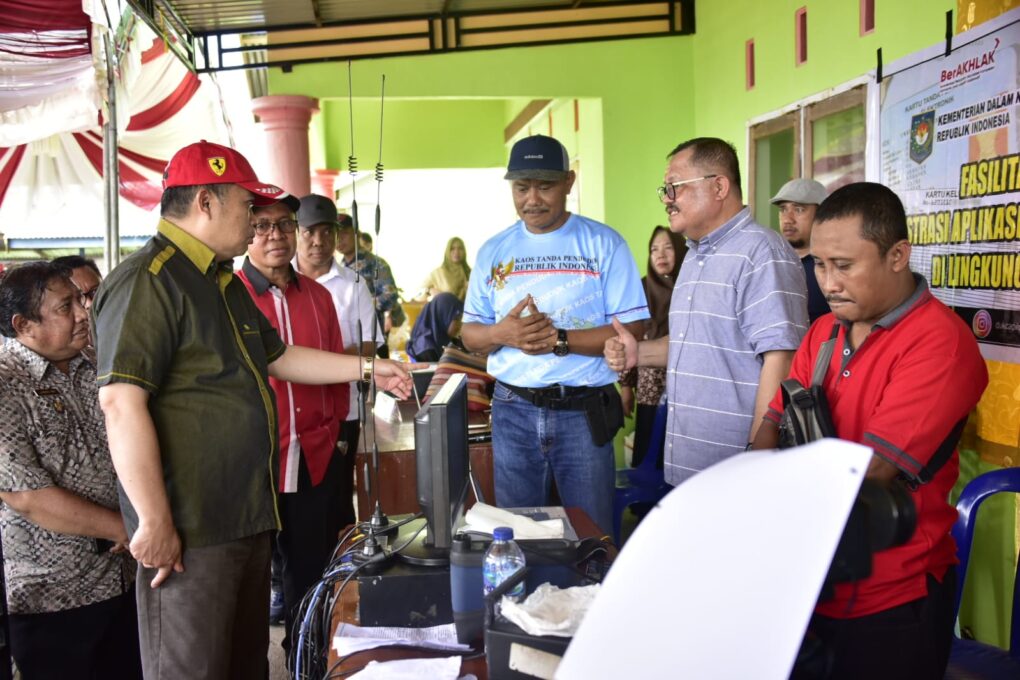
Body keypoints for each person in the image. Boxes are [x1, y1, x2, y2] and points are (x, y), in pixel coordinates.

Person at [92, 140, 412, 680]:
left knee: (242, 664)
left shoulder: (220, 282)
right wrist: (153, 519)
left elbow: (280, 356)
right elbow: (120, 402)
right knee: (192, 667)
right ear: (207, 204)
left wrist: (366, 369)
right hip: (192, 527)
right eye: (247, 208)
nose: (256, 223)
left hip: (245, 513)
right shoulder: (149, 281)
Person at [752, 182, 988, 680]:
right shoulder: (823, 332)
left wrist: (768, 491)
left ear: (898, 255)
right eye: (819, 265)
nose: (828, 282)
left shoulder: (939, 344)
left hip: (892, 594)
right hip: (811, 579)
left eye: (844, 265)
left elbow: (871, 471)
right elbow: (773, 420)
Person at [461, 134, 649, 533]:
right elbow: (470, 335)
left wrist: (558, 340)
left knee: (590, 535)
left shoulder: (604, 244)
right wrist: (504, 333)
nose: (532, 199)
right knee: (519, 535)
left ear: (569, 181)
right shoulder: (493, 251)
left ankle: (593, 597)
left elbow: (631, 328)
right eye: (521, 187)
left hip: (582, 412)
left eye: (545, 186)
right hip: (513, 410)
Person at [604, 137, 807, 486]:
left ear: (719, 187)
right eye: (665, 189)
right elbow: (694, 342)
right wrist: (640, 352)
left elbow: (782, 357)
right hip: (691, 464)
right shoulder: (696, 256)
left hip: (738, 469)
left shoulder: (761, 252)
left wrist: (759, 455)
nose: (667, 199)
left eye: (675, 187)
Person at [0, 261, 141, 679]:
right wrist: (124, 528)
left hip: (121, 578)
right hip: (54, 594)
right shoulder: (6, 384)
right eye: (66, 306)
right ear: (24, 324)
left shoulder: (91, 363)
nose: (83, 312)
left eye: (81, 300)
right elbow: (27, 496)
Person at [236, 198, 349, 656]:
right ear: (245, 232)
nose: (275, 235)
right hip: (256, 459)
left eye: (284, 225)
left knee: (309, 565)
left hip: (313, 454)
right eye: (262, 226)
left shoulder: (319, 296)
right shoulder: (231, 294)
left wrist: (338, 431)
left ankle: (304, 656)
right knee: (253, 572)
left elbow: (338, 364)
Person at [293, 193, 381, 578]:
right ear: (296, 234)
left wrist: (315, 360)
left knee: (335, 502)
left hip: (343, 412)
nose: (318, 241)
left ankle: (337, 582)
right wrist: (332, 360)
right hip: (290, 414)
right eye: (309, 232)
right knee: (291, 505)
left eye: (326, 232)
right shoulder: (280, 283)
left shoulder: (353, 285)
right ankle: (289, 580)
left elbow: (368, 345)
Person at [618, 226, 687, 469]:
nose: (661, 254)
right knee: (650, 447)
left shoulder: (689, 288)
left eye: (668, 247)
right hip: (649, 386)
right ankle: (647, 505)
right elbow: (628, 338)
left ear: (680, 250)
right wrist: (626, 387)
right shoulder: (640, 290)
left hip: (686, 386)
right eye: (654, 249)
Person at [335, 213, 404, 357]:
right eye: (335, 234)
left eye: (345, 233)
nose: (339, 239)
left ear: (357, 234)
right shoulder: (337, 267)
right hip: (346, 339)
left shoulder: (375, 263)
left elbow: (390, 294)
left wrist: (363, 304)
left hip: (373, 338)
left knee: (371, 376)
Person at [771, 178, 830, 322]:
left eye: (798, 209)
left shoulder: (835, 266)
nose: (787, 219)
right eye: (783, 209)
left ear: (821, 213)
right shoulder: (771, 263)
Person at [407, 292, 463, 363]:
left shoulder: (445, 339)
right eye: (456, 319)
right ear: (442, 317)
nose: (459, 324)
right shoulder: (427, 350)